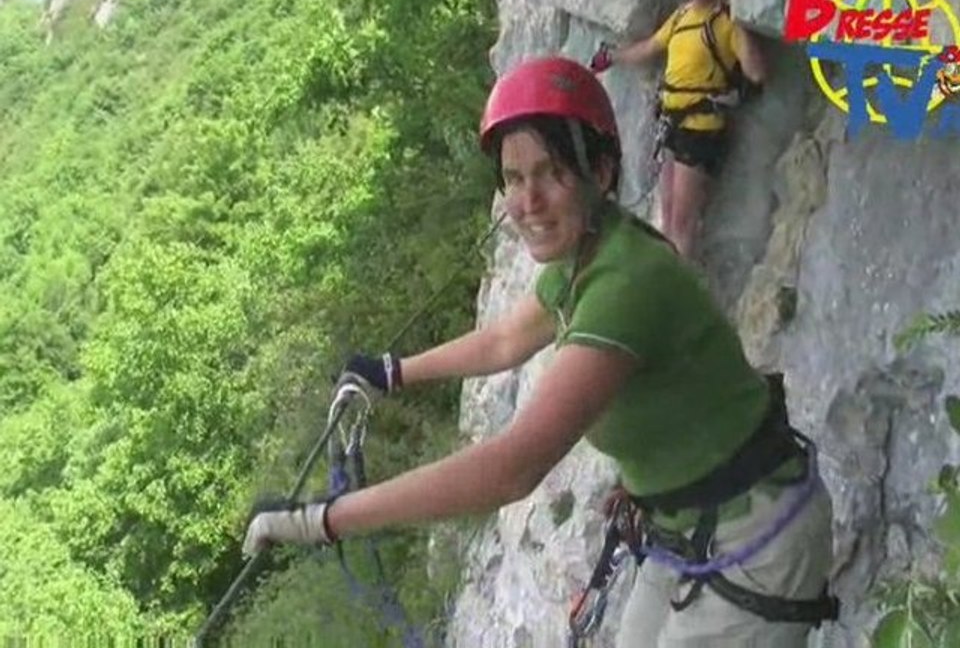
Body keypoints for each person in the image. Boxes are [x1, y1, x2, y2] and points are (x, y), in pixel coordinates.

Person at [243, 56, 837, 646]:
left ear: (600, 171)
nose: (527, 200)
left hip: (756, 534)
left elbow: (512, 468)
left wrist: (324, 520)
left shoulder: (625, 284)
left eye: (549, 171)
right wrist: (392, 372)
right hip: (690, 525)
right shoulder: (587, 256)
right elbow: (504, 340)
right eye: (513, 177)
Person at [590, 0, 767, 259]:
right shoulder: (682, 16)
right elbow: (650, 48)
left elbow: (756, 72)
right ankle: (671, 283)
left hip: (701, 127)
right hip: (674, 124)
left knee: (682, 224)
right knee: (669, 216)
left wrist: (740, 66)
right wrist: (613, 57)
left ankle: (676, 296)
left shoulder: (726, 21)